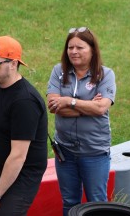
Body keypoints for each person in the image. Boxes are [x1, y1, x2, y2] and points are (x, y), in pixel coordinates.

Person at [46, 27, 116, 216]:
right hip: (65, 151)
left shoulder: (105, 74)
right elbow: (53, 107)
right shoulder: (58, 71)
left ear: (92, 50)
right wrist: (88, 108)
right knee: (69, 202)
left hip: (94, 151)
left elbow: (101, 108)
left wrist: (70, 101)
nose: (74, 52)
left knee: (97, 202)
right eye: (70, 48)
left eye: (80, 47)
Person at [0, 36, 48, 216]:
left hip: (20, 176)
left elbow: (18, 156)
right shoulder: (1, 85)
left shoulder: (24, 102)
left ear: (13, 64)